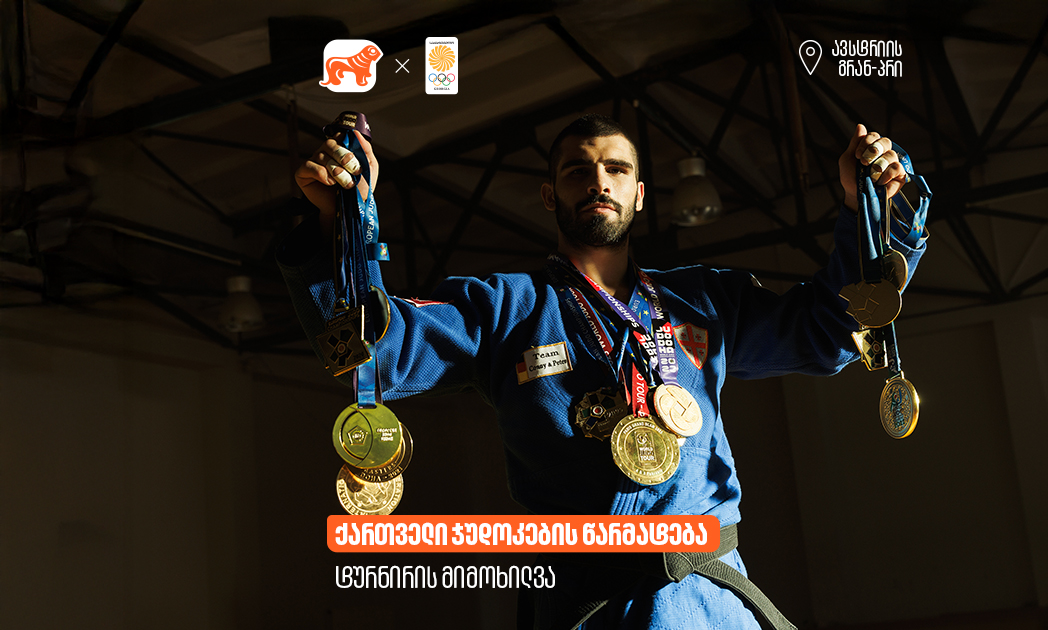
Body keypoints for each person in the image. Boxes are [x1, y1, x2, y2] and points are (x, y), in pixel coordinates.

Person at [278, 113, 924, 630]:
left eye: (616, 169)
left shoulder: (706, 298)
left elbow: (829, 334)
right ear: (549, 195)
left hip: (705, 600)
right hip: (586, 603)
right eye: (577, 170)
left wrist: (865, 208)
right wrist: (338, 223)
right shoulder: (503, 307)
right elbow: (378, 353)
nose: (598, 181)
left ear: (639, 194)